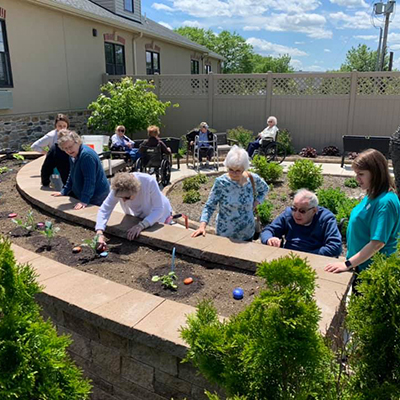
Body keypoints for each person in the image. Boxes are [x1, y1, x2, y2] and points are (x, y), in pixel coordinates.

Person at [325, 149, 400, 275]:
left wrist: (347, 264)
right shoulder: (373, 194)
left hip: (373, 274)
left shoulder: (385, 202)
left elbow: (377, 243)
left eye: (361, 174)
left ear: (375, 173)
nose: (357, 178)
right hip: (360, 266)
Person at [191, 145, 269, 241]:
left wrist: (256, 202)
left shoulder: (252, 179)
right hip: (225, 234)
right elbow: (210, 206)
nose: (233, 173)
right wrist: (202, 226)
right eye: (231, 169)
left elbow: (265, 189)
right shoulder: (221, 182)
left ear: (244, 168)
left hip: (247, 233)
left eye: (238, 171)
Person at [261, 189, 342, 257]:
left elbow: (335, 247)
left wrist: (305, 257)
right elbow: (268, 230)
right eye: (294, 208)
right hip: (288, 256)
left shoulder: (326, 218)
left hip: (315, 258)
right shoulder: (288, 214)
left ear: (314, 210)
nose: (296, 214)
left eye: (302, 211)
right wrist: (269, 239)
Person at [95, 172, 172, 242]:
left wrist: (141, 225)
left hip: (161, 214)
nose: (124, 201)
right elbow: (105, 208)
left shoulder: (149, 182)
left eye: (127, 198)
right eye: (121, 198)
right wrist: (99, 232)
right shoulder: (119, 186)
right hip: (141, 214)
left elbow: (158, 210)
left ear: (136, 191)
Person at [51, 130, 110, 210]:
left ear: (77, 142)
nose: (68, 150)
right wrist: (64, 191)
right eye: (65, 149)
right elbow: (72, 174)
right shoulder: (73, 154)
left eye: (70, 146)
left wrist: (84, 201)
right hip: (87, 194)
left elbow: (89, 180)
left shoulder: (86, 156)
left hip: (97, 195)